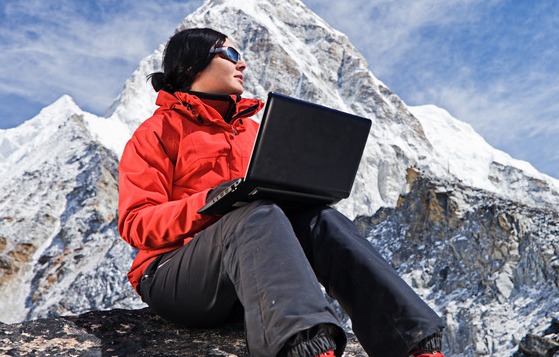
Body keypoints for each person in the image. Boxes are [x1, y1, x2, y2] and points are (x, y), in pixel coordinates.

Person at [118, 27, 446, 357]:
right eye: (230, 55)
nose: (242, 64)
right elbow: (136, 223)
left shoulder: (255, 132)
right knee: (254, 216)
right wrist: (210, 202)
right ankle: (308, 351)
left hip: (252, 276)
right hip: (173, 276)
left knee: (323, 221)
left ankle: (416, 346)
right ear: (191, 66)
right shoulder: (156, 133)